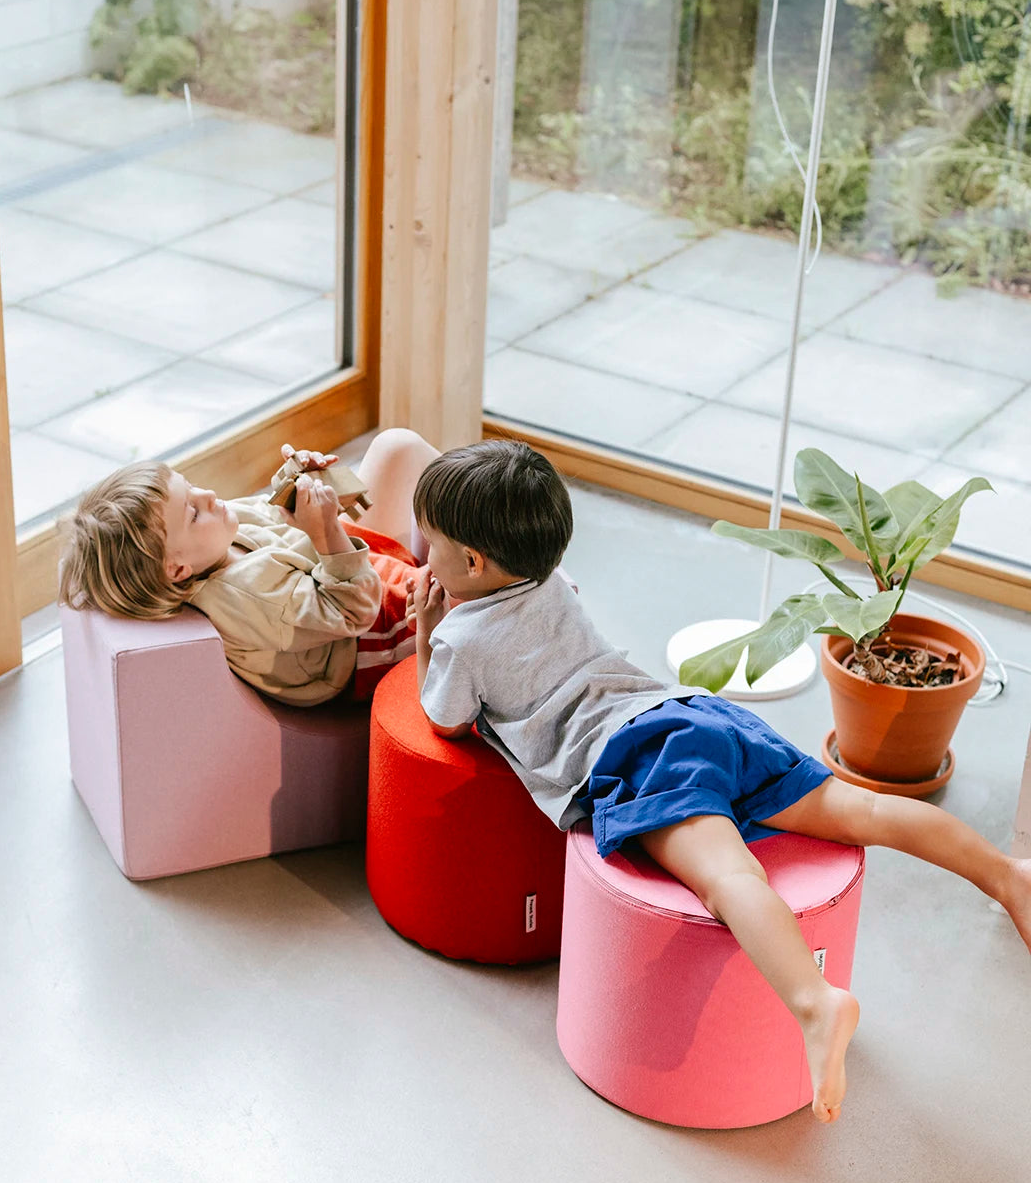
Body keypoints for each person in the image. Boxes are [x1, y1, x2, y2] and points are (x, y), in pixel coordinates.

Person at [407, 439, 1031, 1124]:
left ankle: (813, 1001)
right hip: (695, 717)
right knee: (865, 811)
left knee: (730, 878)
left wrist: (427, 631)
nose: (418, 550)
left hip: (636, 758)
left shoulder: (460, 640)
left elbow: (444, 718)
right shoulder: (557, 584)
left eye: (427, 540)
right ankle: (1005, 875)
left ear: (470, 562)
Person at [59, 427, 438, 706]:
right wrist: (324, 532)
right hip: (376, 631)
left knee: (397, 446)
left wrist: (298, 483)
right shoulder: (248, 601)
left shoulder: (214, 535)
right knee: (471, 573)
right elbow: (353, 610)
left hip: (356, 565)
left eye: (191, 487)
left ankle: (468, 511)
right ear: (177, 570)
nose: (207, 496)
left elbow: (269, 514)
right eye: (192, 511)